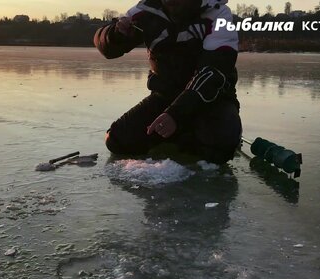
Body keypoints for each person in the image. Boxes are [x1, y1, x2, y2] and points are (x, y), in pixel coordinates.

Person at [94, 0, 242, 164]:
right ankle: (181, 135)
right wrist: (115, 34)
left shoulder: (219, 14)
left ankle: (191, 133)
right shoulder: (145, 11)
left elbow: (214, 71)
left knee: (220, 149)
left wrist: (176, 114)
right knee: (117, 141)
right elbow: (108, 49)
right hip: (164, 97)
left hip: (212, 100)